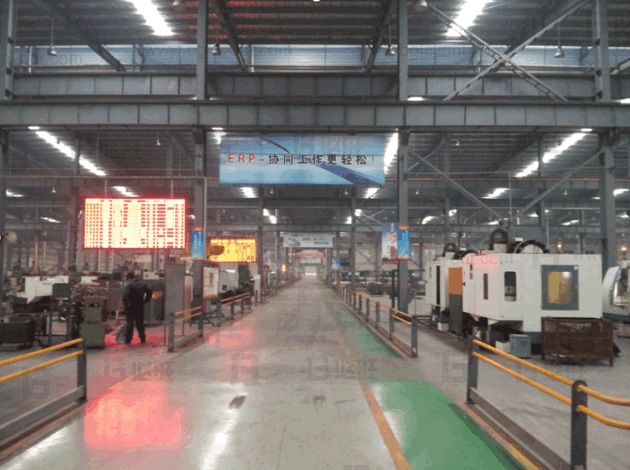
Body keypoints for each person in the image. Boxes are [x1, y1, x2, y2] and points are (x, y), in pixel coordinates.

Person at [122, 272, 153, 344]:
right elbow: (149, 292)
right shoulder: (143, 284)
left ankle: (128, 340)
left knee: (130, 324)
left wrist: (126, 304)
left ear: (129, 279)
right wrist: (146, 300)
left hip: (130, 307)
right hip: (140, 306)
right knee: (140, 323)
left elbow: (125, 295)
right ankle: (142, 339)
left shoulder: (129, 285)